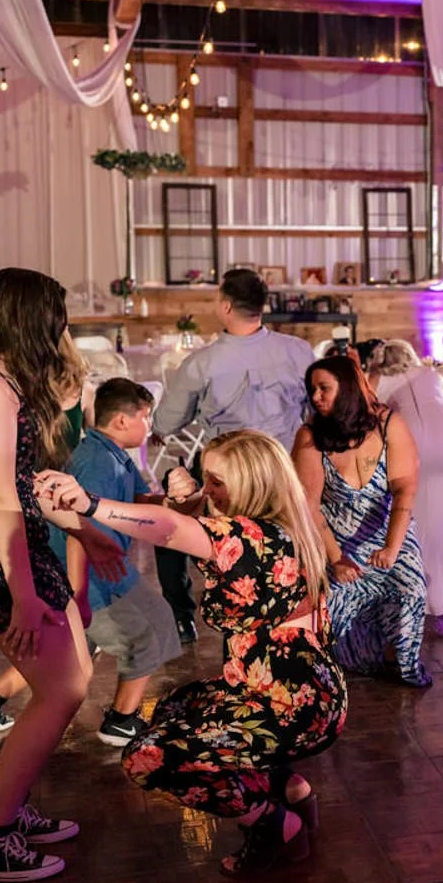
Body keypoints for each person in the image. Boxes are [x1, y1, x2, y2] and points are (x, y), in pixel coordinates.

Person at [36, 429, 347, 876]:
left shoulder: (253, 538)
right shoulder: (276, 528)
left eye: (217, 482)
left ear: (252, 483)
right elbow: (188, 528)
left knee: (150, 756)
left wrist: (91, 505)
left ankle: (272, 825)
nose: (207, 490)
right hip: (292, 691)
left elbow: (169, 529)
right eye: (205, 478)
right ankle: (290, 789)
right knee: (176, 708)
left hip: (294, 705)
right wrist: (193, 504)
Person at [0, 268, 126, 882]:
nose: (63, 329)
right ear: (32, 319)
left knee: (73, 678)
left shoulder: (5, 380)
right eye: (57, 316)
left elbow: (22, 488)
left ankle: (8, 812)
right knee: (61, 690)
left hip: (14, 544)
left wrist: (85, 532)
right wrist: (25, 596)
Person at [0, 380, 182, 744]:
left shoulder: (114, 455)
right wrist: (78, 595)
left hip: (102, 574)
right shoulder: (97, 463)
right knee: (149, 631)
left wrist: (170, 503)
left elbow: (133, 503)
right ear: (123, 421)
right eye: (147, 417)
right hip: (91, 579)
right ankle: (122, 721)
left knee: (78, 651)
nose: (150, 426)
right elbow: (80, 527)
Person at [151, 268, 316, 645]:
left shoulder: (202, 362)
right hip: (285, 471)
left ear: (225, 306)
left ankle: (181, 614)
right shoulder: (297, 351)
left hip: (227, 479)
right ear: (263, 306)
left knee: (170, 512)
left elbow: (168, 420)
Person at [292, 356, 430, 686]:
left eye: (324, 388)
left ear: (349, 389)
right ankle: (365, 656)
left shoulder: (387, 424)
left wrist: (393, 547)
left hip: (388, 528)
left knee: (411, 588)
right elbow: (309, 505)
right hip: (334, 538)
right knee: (339, 596)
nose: (315, 397)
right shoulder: (310, 436)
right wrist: (336, 559)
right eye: (312, 390)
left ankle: (403, 662)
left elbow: (404, 487)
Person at [368, 340, 443, 618]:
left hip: (412, 437)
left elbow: (369, 421)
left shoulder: (376, 378)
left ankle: (419, 591)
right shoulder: (433, 375)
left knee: (412, 510)